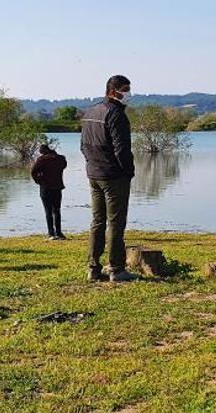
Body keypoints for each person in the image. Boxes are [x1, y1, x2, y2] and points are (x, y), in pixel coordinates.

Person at [80, 75, 136, 282]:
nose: (128, 94)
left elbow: (83, 146)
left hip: (94, 174)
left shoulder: (91, 112)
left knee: (97, 221)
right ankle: (116, 269)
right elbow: (122, 149)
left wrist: (92, 164)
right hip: (114, 177)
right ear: (113, 91)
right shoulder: (116, 114)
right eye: (125, 89)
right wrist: (128, 171)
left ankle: (93, 269)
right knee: (116, 223)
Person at [31, 144, 67, 240]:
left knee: (48, 211)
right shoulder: (61, 159)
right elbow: (64, 166)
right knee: (57, 210)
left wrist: (39, 180)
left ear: (42, 151)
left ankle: (51, 233)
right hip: (57, 187)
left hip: (45, 187)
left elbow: (33, 171)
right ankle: (59, 233)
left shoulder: (42, 160)